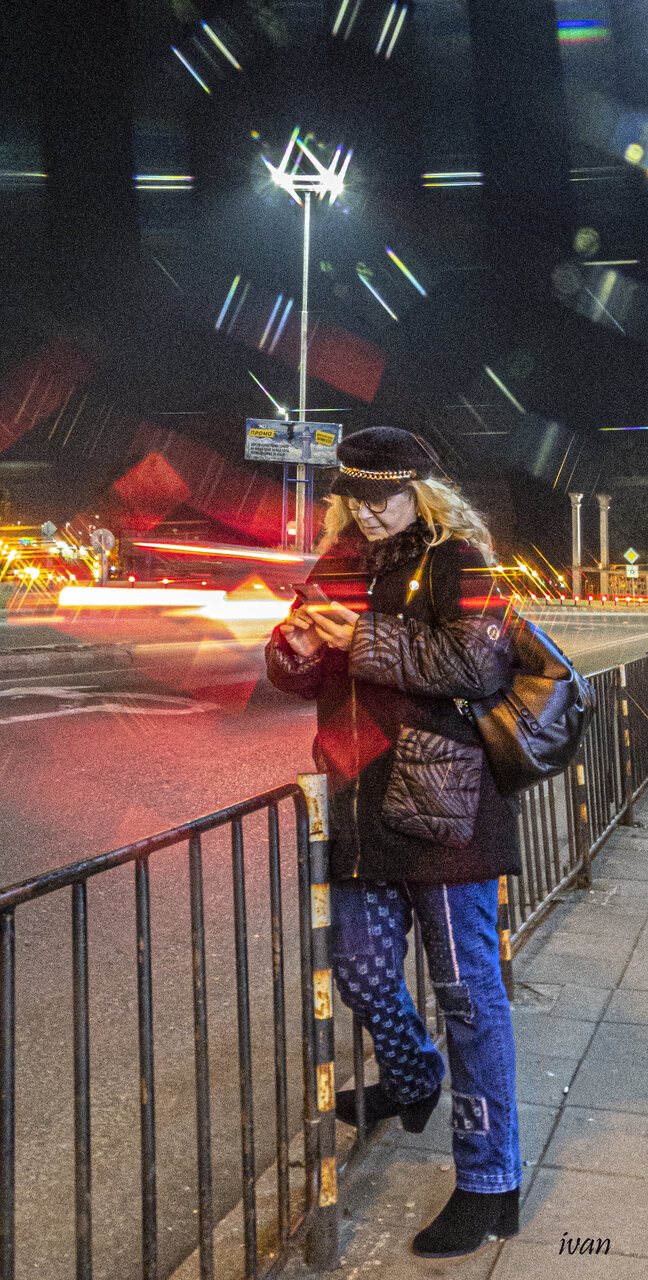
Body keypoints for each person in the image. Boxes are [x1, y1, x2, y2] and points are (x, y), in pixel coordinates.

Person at [265, 426, 522, 1260]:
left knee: (467, 998)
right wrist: (297, 648)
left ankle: (491, 1180)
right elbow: (290, 672)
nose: (369, 513)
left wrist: (359, 639)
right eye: (357, 497)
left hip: (443, 812)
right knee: (359, 966)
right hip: (358, 808)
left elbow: (478, 666)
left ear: (421, 492)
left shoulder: (458, 561)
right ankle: (413, 1078)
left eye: (385, 498)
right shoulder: (338, 561)